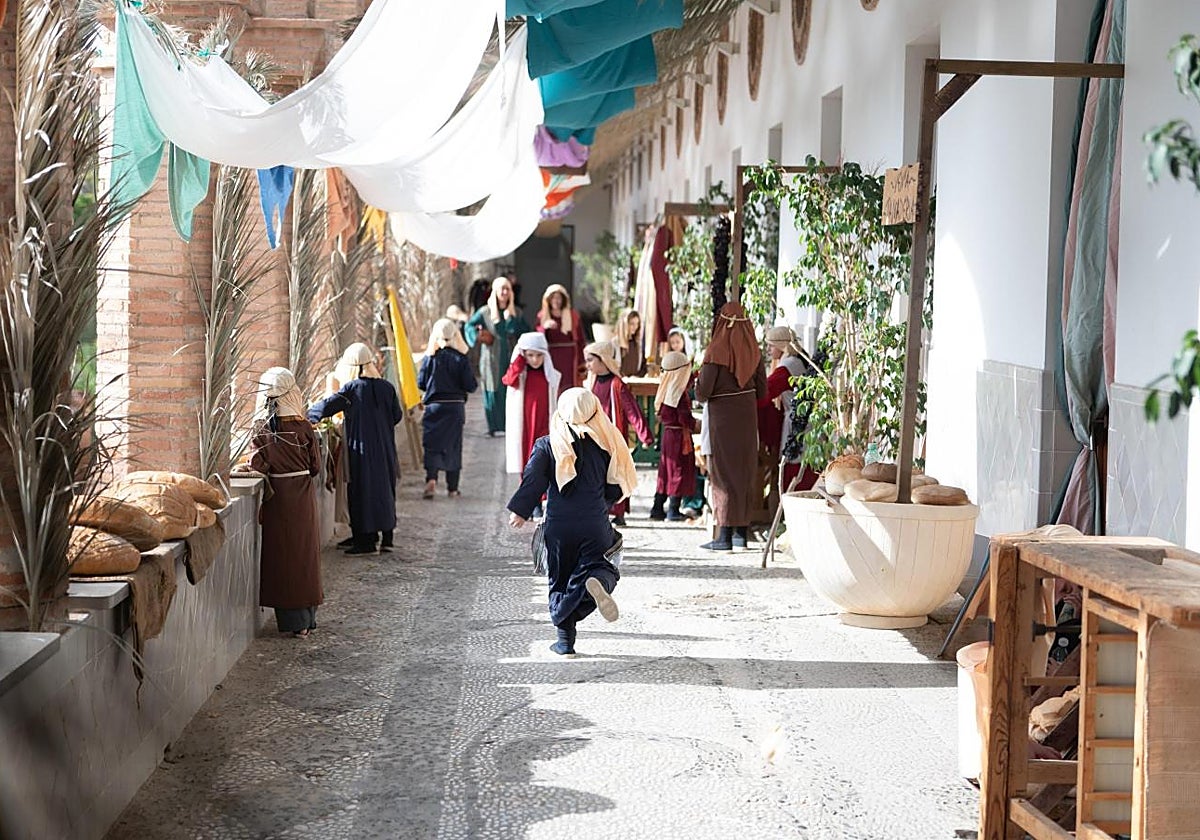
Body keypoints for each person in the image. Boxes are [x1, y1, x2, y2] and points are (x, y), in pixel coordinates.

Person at [506, 388, 637, 655]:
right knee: (603, 566)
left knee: (561, 578)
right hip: (594, 523)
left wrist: (520, 511)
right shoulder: (608, 443)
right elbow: (615, 488)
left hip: (559, 525)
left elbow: (533, 481)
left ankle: (565, 643)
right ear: (595, 409)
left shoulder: (548, 444)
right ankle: (596, 585)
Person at [308, 342, 404, 555]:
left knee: (363, 491)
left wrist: (303, 415)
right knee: (385, 490)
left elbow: (327, 406)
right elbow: (397, 416)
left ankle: (366, 541)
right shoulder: (387, 387)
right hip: (386, 449)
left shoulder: (352, 389)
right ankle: (386, 538)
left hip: (361, 450)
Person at [249, 367, 322, 637]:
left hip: (278, 499)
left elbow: (258, 464)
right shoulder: (304, 428)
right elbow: (315, 466)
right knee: (304, 556)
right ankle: (307, 620)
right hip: (302, 496)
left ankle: (296, 622)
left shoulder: (262, 430)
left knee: (284, 559)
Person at [695, 303, 767, 552]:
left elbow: (703, 392)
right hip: (747, 419)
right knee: (743, 472)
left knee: (723, 474)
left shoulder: (716, 351)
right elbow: (763, 391)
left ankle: (723, 536)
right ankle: (740, 535)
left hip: (722, 420)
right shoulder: (754, 352)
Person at [582, 340, 653, 526]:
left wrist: (644, 435)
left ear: (603, 360)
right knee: (598, 474)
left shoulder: (617, 384)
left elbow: (632, 411)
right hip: (595, 437)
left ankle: (619, 512)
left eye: (591, 360)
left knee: (616, 474)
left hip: (612, 438)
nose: (587, 365)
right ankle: (601, 510)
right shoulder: (591, 382)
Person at [418, 318, 478, 500]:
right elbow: (471, 385)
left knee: (432, 445)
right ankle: (452, 488)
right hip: (455, 407)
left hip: (434, 407)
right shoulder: (460, 358)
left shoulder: (430, 358)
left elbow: (421, 383)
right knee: (453, 446)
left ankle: (432, 479)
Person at [758, 325, 819, 494]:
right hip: (808, 422)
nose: (769, 349)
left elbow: (765, 394)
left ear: (780, 345)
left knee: (794, 471)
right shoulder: (800, 361)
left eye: (771, 345)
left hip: (797, 424)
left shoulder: (787, 367)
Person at [466, 277, 530, 436]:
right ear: (495, 291)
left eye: (507, 289)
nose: (504, 292)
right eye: (501, 289)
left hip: (510, 356)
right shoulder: (485, 311)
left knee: (510, 389)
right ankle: (493, 426)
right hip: (491, 357)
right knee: (492, 389)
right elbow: (469, 326)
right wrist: (477, 336)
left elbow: (526, 331)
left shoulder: (516, 312)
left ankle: (510, 425)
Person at [503, 332, 561, 479]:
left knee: (544, 457)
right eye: (530, 355)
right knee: (526, 457)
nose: (535, 360)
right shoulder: (520, 376)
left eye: (539, 355)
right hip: (525, 425)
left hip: (544, 423)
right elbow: (509, 380)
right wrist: (518, 362)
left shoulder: (551, 376)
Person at [650, 351, 697, 521]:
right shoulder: (678, 394)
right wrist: (697, 425)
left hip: (669, 434)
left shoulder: (668, 387)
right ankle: (673, 510)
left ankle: (657, 508)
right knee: (677, 470)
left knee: (666, 470)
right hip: (678, 436)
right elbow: (685, 418)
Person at [537, 283, 585, 394]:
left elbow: (580, 339)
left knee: (569, 386)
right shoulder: (542, 316)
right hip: (552, 356)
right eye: (553, 297)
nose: (556, 300)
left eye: (558, 297)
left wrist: (582, 361)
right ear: (548, 300)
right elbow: (537, 338)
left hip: (570, 357)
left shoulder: (573, 315)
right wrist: (544, 327)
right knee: (553, 386)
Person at [614, 308, 647, 378]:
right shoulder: (615, 344)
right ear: (624, 324)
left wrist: (636, 377)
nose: (635, 327)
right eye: (632, 324)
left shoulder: (638, 344)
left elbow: (644, 367)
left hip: (634, 384)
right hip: (619, 383)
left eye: (637, 324)